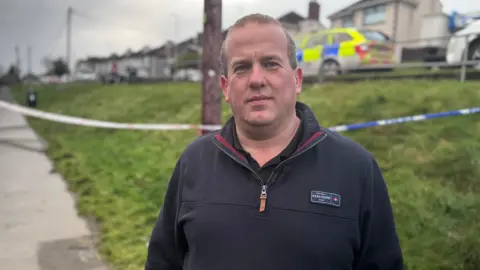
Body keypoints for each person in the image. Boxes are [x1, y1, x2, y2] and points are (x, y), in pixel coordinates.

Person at [145, 13, 404, 270]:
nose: (257, 80)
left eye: (271, 63)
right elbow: (162, 261)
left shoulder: (356, 168)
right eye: (242, 67)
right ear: (225, 87)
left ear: (297, 79)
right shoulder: (194, 162)